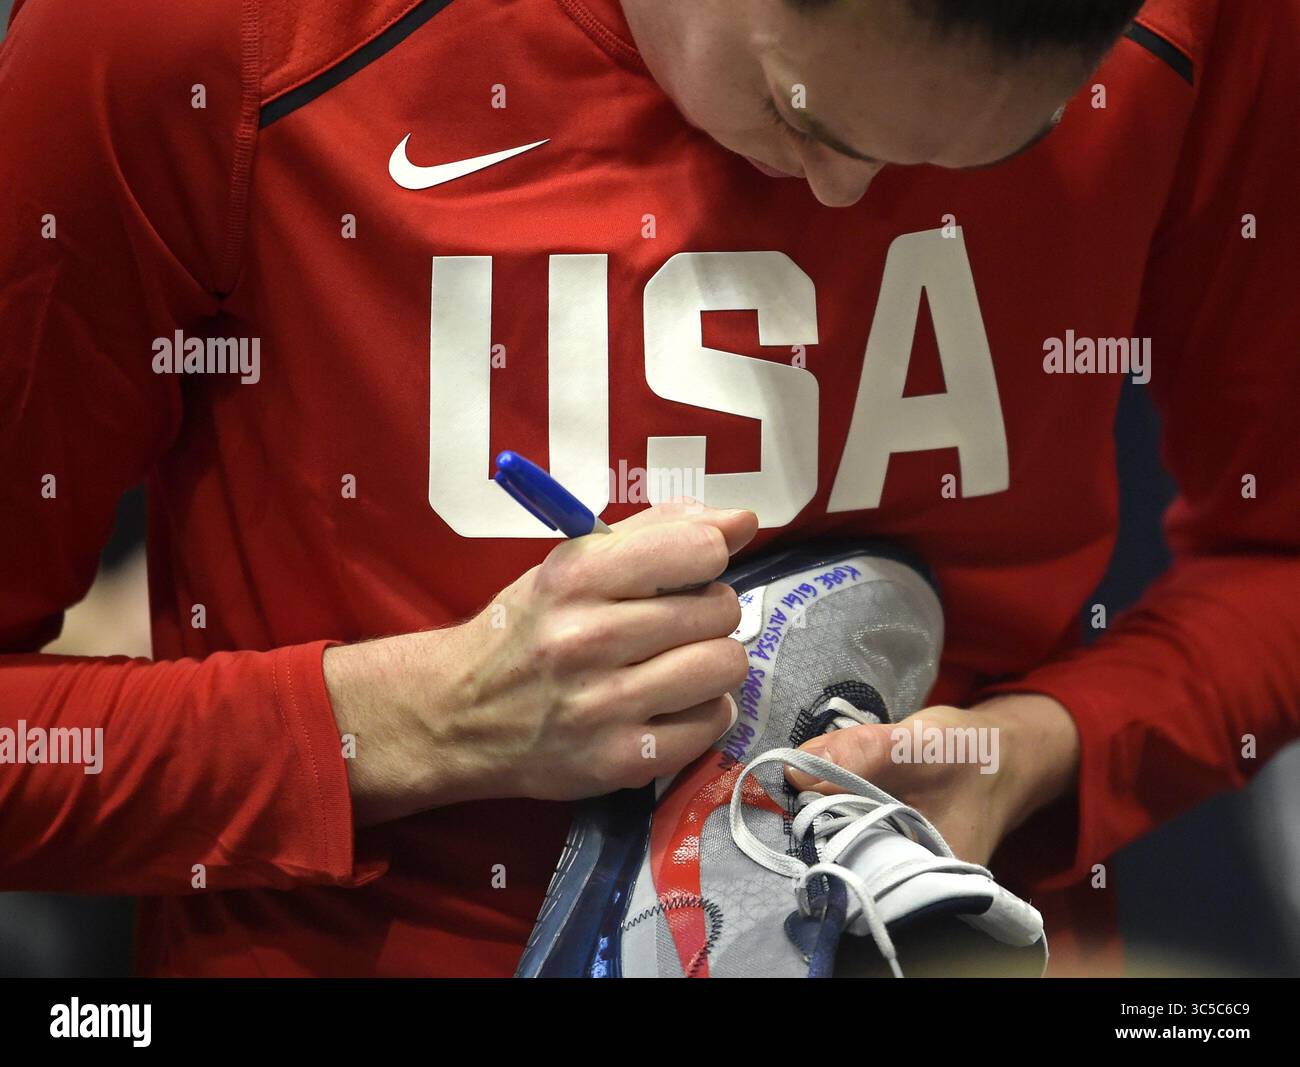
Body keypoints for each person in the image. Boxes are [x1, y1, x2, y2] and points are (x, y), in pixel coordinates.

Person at [1, 0, 1296, 978]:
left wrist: (1041, 759)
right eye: (807, 120)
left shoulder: (1219, 29)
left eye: (1002, 150)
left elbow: (1279, 562)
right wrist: (405, 726)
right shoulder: (198, 38)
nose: (851, 199)